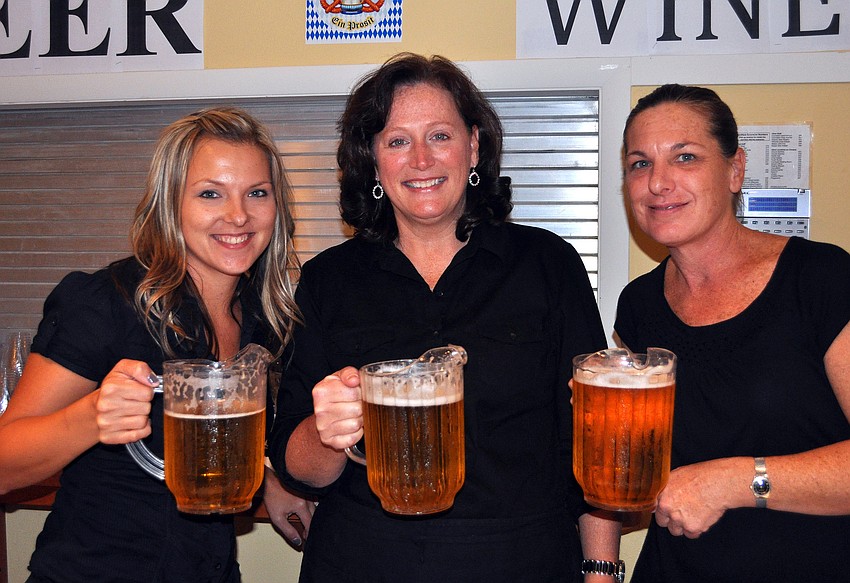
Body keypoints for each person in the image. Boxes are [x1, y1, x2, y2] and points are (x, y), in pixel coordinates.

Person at [268, 53, 622, 583]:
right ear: (373, 159)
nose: (421, 160)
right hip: (362, 560)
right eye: (397, 141)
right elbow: (299, 467)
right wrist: (328, 433)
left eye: (439, 136)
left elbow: (592, 437)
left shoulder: (549, 264)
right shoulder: (326, 280)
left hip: (523, 560)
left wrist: (601, 569)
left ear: (473, 145)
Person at [0, 107, 315, 582]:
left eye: (257, 193)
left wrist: (266, 480)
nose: (238, 215)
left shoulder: (264, 319)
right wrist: (87, 419)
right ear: (171, 205)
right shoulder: (106, 303)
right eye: (210, 193)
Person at [616, 84, 850, 582]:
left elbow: (708, 481)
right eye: (639, 164)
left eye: (685, 157)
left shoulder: (821, 279)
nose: (658, 182)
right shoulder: (637, 306)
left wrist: (732, 482)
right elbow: (646, 482)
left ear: (735, 169)